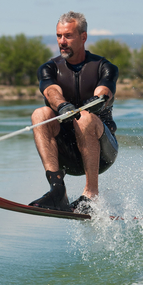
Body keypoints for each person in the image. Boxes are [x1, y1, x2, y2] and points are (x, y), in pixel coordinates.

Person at [29, 11, 119, 213]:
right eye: (59, 36)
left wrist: (98, 100)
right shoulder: (49, 68)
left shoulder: (104, 67)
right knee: (39, 115)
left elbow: (105, 90)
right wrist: (62, 105)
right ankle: (57, 192)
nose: (62, 41)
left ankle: (91, 197)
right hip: (67, 155)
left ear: (83, 37)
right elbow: (51, 91)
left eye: (68, 36)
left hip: (102, 153)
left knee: (85, 119)